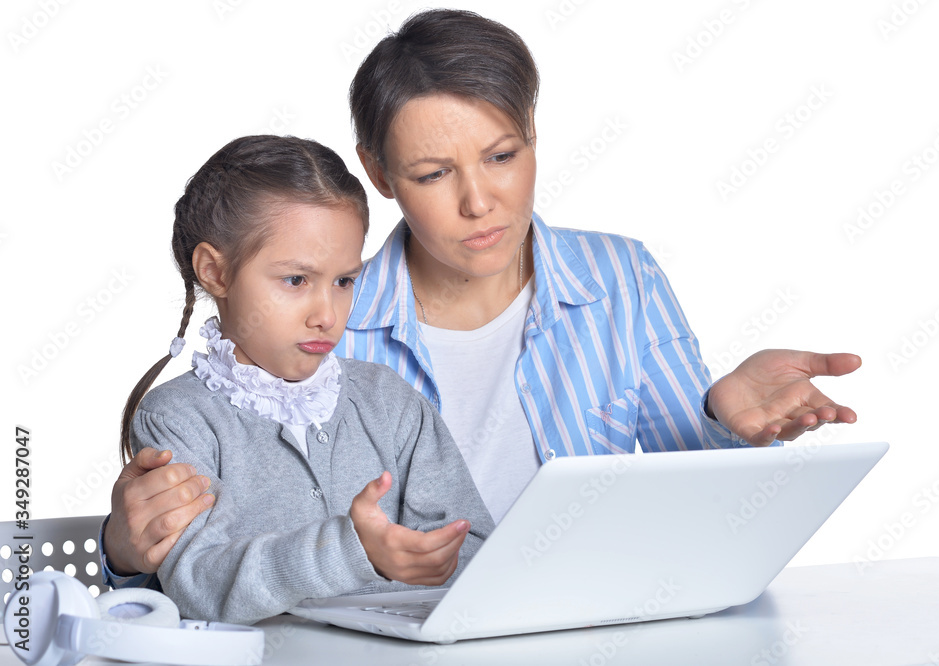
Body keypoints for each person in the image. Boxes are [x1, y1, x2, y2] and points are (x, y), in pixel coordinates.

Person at [102, 9, 860, 590]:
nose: (479, 202)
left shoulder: (621, 280)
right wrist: (124, 553)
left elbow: (691, 511)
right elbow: (212, 559)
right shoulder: (323, 335)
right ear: (380, 174)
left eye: (502, 156)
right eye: (433, 174)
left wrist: (719, 417)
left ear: (532, 132)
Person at [115, 134, 493, 624]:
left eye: (343, 281)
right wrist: (351, 549)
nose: (326, 314)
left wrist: (435, 559)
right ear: (215, 272)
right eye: (296, 280)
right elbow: (198, 586)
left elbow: (475, 545)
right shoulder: (179, 419)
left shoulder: (390, 402)